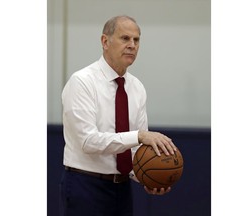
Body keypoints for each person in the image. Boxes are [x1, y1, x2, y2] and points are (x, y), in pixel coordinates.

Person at [60, 15, 177, 216]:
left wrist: (146, 176)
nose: (132, 45)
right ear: (105, 41)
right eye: (125, 38)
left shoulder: (137, 87)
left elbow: (135, 151)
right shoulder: (82, 82)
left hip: (122, 189)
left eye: (136, 40)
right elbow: (88, 141)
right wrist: (138, 135)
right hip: (85, 186)